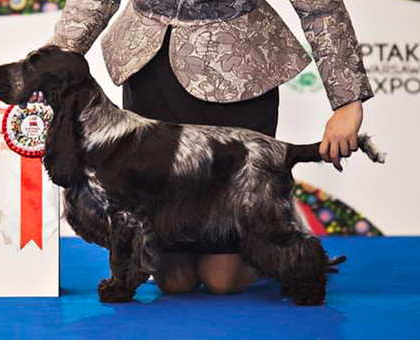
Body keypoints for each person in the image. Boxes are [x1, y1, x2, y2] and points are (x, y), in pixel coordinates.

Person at [31, 0, 373, 294]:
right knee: (175, 282)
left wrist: (346, 100)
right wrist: (52, 63)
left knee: (221, 281)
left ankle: (280, 231)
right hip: (150, 67)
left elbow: (320, 7)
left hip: (238, 67)